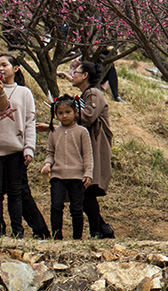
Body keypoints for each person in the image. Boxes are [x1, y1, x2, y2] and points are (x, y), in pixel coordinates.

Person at [68, 59, 115, 238]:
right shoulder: (88, 93)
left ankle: (99, 230)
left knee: (86, 190)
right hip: (90, 146)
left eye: (76, 73)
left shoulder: (93, 93)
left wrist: (65, 112)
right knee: (85, 192)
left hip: (96, 146)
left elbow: (87, 117)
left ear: (85, 75)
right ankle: (101, 229)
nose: (73, 76)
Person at [41, 95, 93, 240]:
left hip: (77, 177)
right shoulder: (54, 132)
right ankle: (57, 237)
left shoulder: (82, 132)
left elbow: (87, 154)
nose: (64, 116)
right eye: (60, 113)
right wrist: (47, 164)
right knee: (56, 206)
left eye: (67, 112)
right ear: (55, 114)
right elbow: (50, 152)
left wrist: (88, 173)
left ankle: (77, 238)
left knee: (76, 208)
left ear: (75, 112)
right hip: (57, 176)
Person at [0, 53, 36, 238]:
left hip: (15, 150)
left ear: (15, 68)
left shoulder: (24, 92)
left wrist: (29, 147)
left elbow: (30, 122)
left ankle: (17, 231)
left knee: (15, 193)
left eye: (4, 65)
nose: (1, 68)